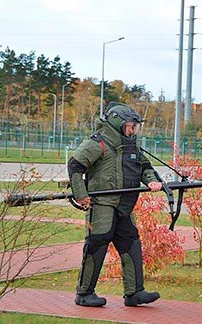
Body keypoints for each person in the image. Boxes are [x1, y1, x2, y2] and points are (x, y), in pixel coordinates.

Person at [67, 102, 162, 307]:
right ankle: (84, 293)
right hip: (102, 204)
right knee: (97, 243)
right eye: (131, 126)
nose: (133, 130)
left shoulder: (131, 146)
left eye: (135, 126)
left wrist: (152, 180)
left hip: (125, 205)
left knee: (132, 244)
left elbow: (145, 167)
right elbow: (75, 165)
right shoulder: (97, 143)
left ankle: (135, 292)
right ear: (118, 123)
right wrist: (81, 195)